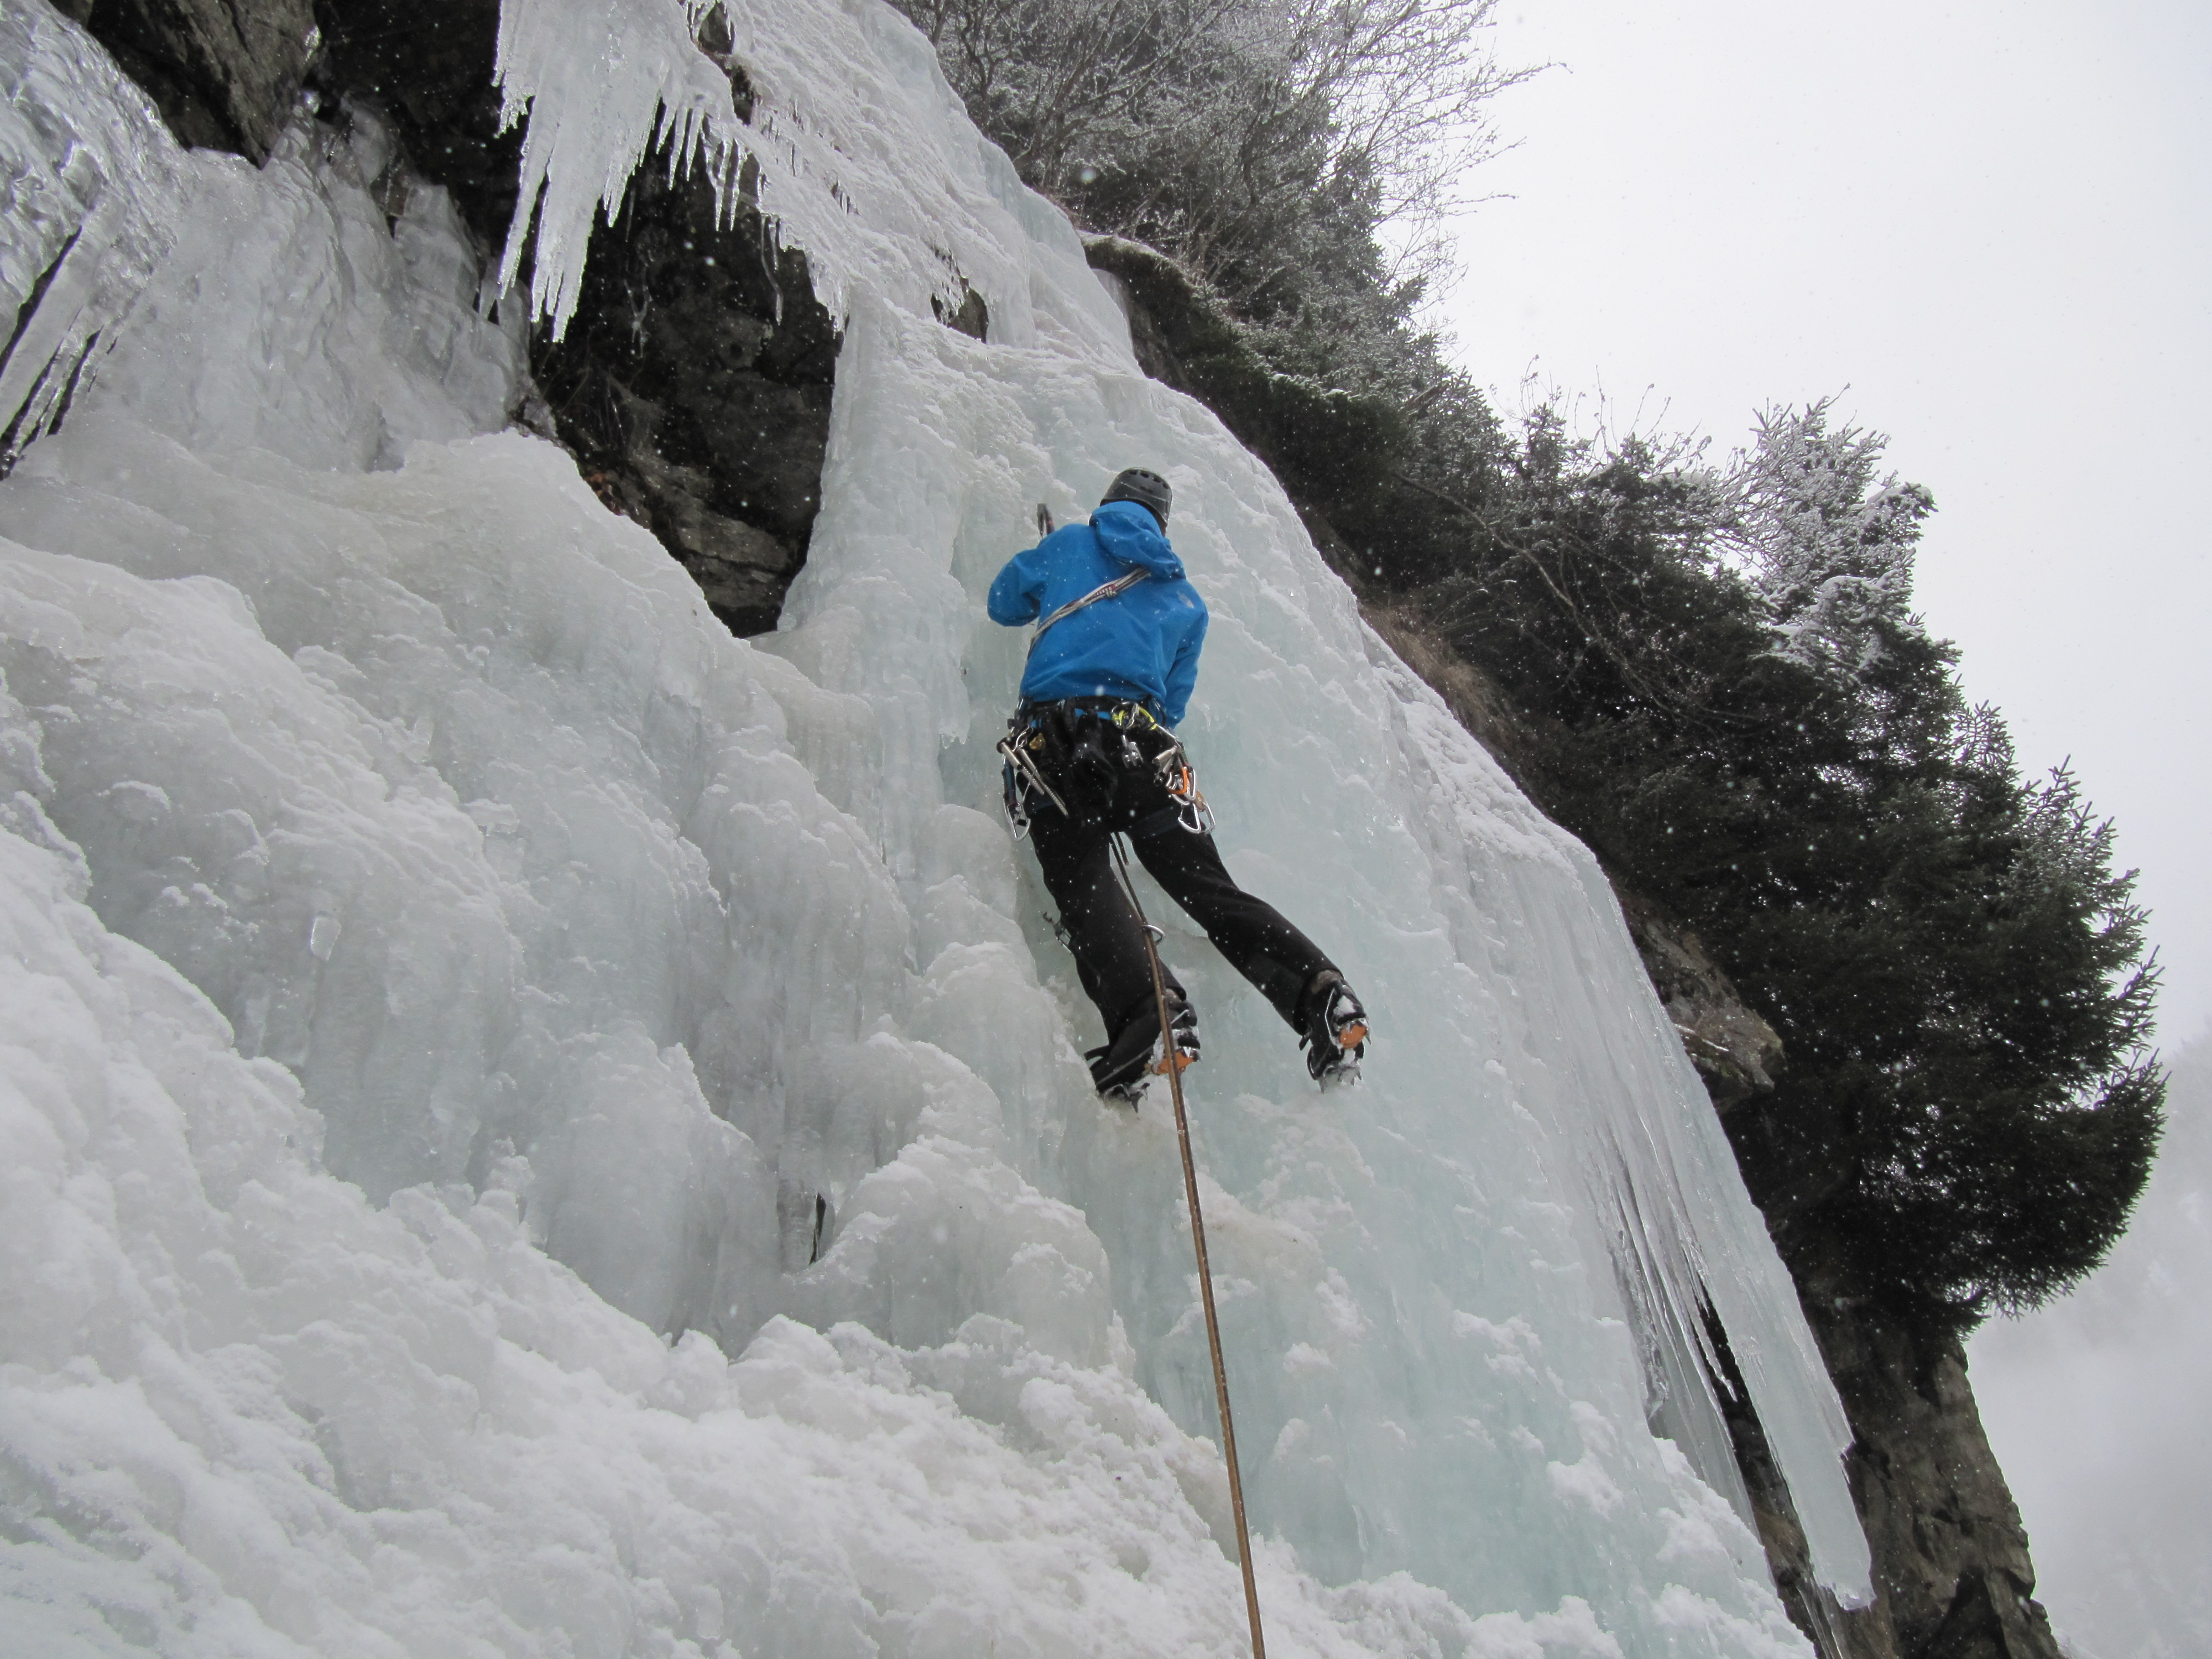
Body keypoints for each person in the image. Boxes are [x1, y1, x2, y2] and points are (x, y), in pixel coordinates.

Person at [988, 466, 1369, 1103]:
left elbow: (1003, 603)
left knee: (1082, 879)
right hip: (1145, 754)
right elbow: (1171, 706)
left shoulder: (1068, 545)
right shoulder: (1186, 601)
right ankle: (1320, 993)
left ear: (1108, 505)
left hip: (1056, 746)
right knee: (1208, 890)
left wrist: (1048, 581)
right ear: (1162, 525)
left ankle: (1152, 1014)